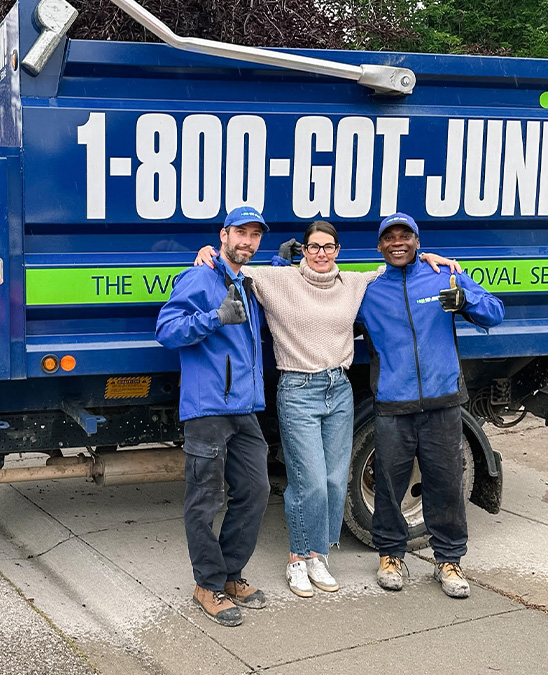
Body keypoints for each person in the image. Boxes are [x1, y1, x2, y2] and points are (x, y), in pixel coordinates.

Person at [193, 222, 459, 598]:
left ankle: (318, 554)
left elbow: (397, 264)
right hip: (298, 389)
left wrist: (429, 256)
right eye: (314, 247)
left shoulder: (353, 282)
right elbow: (235, 265)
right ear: (303, 250)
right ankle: (297, 558)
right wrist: (209, 252)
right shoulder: (278, 280)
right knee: (311, 482)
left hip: (339, 389)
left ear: (337, 250)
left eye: (328, 246)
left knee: (335, 482)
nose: (321, 253)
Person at [357, 212, 504, 599]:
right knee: (389, 485)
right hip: (393, 405)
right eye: (390, 237)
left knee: (447, 483)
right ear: (380, 246)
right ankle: (391, 555)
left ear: (417, 242)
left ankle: (449, 560)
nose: (398, 242)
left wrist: (466, 299)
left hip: (443, 403)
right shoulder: (369, 292)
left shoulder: (445, 276)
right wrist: (282, 264)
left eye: (405, 236)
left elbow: (495, 311)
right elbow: (316, 295)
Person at [156, 206, 271, 627]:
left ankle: (230, 574)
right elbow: (167, 330)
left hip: (244, 408)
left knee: (256, 491)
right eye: (241, 232)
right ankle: (207, 585)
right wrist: (215, 318)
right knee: (205, 499)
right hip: (208, 409)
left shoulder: (247, 280)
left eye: (255, 235)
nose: (247, 241)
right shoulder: (199, 277)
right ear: (224, 235)